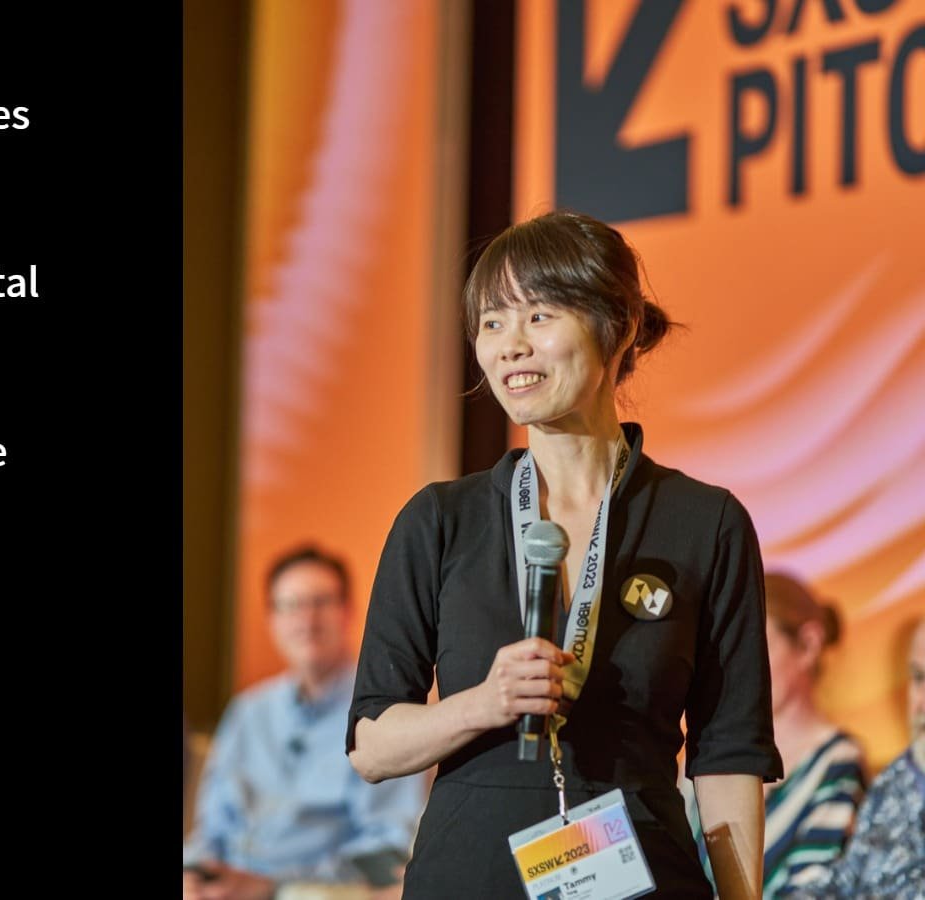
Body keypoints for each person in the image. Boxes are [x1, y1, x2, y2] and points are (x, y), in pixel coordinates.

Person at [347, 210, 782, 898]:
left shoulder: (706, 523)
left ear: (620, 326)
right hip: (470, 878)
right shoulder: (441, 519)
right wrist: (484, 702)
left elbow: (729, 754)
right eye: (492, 323)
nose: (510, 346)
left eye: (539, 316)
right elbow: (371, 746)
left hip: (645, 876)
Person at [185, 545, 427, 900]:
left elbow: (385, 851)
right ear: (272, 619)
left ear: (348, 611)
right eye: (291, 605)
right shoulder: (247, 711)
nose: (307, 621)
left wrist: (273, 886)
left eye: (321, 602)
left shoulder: (384, 714)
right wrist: (193, 873)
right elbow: (211, 831)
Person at [685, 573, 867, 896]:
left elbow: (813, 888)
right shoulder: (704, 752)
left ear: (809, 645)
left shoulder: (836, 762)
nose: (736, 666)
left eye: (752, 647)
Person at [782, 618, 925, 897]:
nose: (921, 703)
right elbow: (847, 878)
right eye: (918, 678)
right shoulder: (895, 780)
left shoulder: (838, 761)